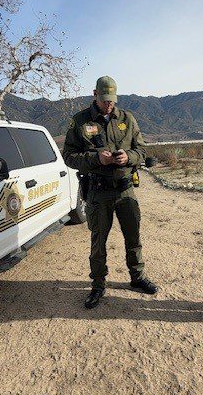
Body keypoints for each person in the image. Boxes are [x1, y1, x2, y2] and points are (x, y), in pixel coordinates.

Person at [63, 75, 158, 309]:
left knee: (133, 237)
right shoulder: (80, 121)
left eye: (112, 100)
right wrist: (97, 158)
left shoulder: (127, 118)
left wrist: (130, 157)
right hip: (98, 192)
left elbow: (142, 150)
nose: (109, 104)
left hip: (125, 191)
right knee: (98, 241)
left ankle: (137, 277)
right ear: (95, 94)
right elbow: (69, 156)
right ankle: (97, 285)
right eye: (105, 100)